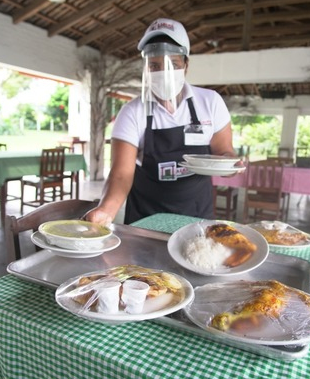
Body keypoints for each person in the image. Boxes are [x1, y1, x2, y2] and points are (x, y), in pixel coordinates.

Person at [85, 18, 238, 225]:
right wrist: (105, 210)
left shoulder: (210, 102)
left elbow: (224, 151)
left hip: (196, 218)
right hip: (146, 220)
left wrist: (230, 164)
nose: (163, 73)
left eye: (172, 65)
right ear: (146, 68)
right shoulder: (132, 112)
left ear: (186, 65)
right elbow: (121, 174)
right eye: (154, 66)